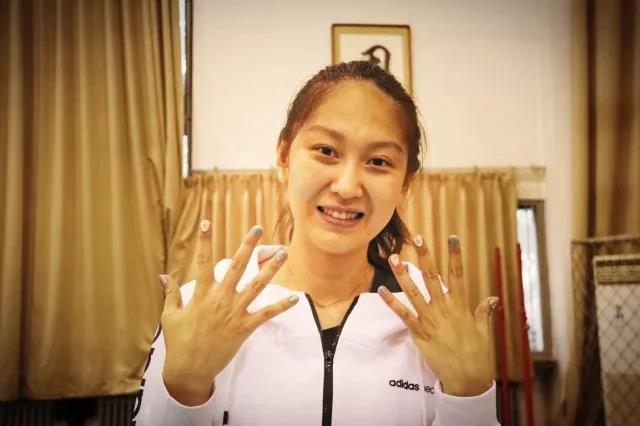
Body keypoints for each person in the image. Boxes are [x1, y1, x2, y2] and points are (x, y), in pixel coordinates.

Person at [135, 61, 500, 425]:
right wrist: (185, 388)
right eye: (326, 151)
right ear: (284, 158)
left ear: (404, 184)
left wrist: (470, 394)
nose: (347, 187)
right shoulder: (204, 308)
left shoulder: (435, 317)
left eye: (378, 161)